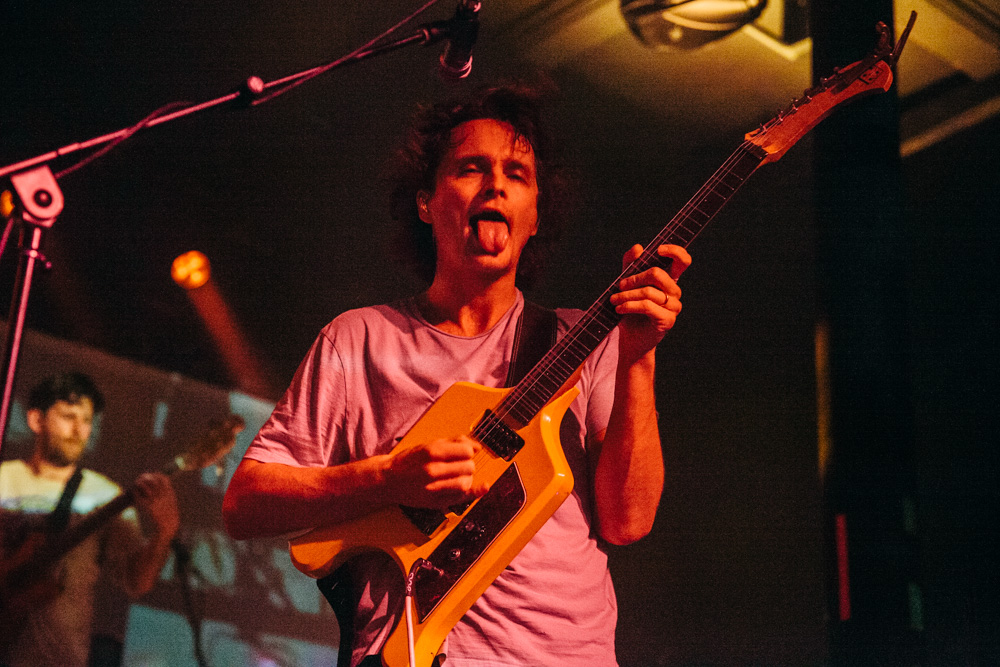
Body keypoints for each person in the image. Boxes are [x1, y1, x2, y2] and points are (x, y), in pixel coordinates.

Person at [222, 83, 691, 666]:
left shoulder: (580, 343)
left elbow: (629, 521)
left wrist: (639, 356)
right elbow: (245, 503)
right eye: (473, 168)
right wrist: (387, 479)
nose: (497, 184)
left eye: (518, 174)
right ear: (425, 201)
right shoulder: (359, 339)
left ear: (535, 215)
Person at [0, 372, 180, 667]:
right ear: (36, 420)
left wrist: (165, 532)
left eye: (87, 420)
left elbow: (137, 582)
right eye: (69, 416)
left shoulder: (104, 496)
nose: (79, 430)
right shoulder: (4, 479)